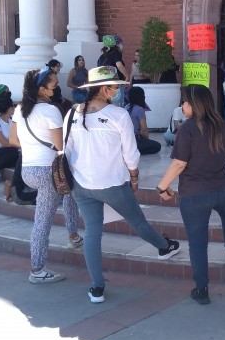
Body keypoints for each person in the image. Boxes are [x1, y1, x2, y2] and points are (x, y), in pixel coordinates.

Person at [64, 66, 180, 303]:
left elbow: (68, 150)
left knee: (92, 234)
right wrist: (135, 178)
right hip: (112, 184)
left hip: (82, 185)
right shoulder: (118, 116)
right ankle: (163, 247)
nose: (118, 91)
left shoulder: (73, 113)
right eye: (115, 87)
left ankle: (96, 287)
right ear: (105, 89)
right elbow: (131, 154)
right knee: (137, 220)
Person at [155, 84, 225, 306]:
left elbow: (178, 163)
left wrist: (162, 186)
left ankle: (202, 289)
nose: (182, 105)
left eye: (185, 101)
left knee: (197, 243)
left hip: (195, 195)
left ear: (195, 105)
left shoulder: (187, 129)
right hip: (224, 188)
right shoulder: (220, 124)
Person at [10, 66, 83, 284]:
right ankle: (37, 269)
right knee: (42, 221)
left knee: (68, 190)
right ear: (42, 89)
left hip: (28, 169)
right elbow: (60, 145)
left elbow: (13, 141)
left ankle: (73, 236)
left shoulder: (20, 109)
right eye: (54, 84)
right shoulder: (50, 111)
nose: (57, 87)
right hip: (47, 170)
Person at [125, 86, 162, 154]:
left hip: (126, 139)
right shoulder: (140, 109)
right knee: (157, 146)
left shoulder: (126, 107)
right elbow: (144, 129)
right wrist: (147, 140)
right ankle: (136, 151)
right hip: (135, 139)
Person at [97, 35, 129, 104]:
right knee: (117, 106)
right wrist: (127, 76)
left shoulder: (101, 57)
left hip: (104, 86)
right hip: (116, 84)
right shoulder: (116, 53)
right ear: (116, 44)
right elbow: (119, 65)